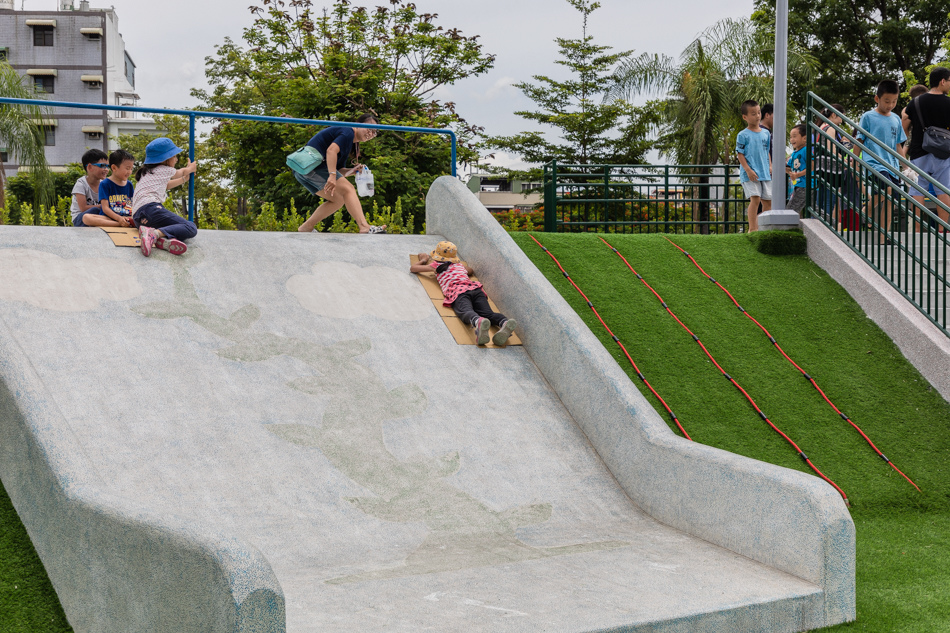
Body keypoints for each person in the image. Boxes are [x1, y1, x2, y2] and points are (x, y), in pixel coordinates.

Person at [410, 241, 518, 347]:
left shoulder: (435, 266)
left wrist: (424, 259)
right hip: (475, 289)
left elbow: (413, 268)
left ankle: (477, 321)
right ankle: (504, 322)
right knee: (488, 313)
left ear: (437, 256)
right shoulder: (459, 265)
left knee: (466, 311)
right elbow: (470, 270)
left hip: (458, 291)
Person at [296, 113, 386, 235]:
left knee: (338, 200)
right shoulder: (348, 131)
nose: (370, 133)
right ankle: (364, 226)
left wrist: (352, 171)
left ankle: (306, 227)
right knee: (348, 189)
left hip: (302, 170)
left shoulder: (350, 142)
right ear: (358, 124)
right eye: (369, 128)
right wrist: (332, 176)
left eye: (374, 132)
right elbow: (331, 151)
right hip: (311, 165)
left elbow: (338, 169)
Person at [857, 80, 907, 242]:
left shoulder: (896, 119)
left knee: (891, 201)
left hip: (892, 165)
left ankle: (883, 236)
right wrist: (854, 162)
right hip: (874, 163)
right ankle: (867, 211)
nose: (890, 105)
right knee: (887, 189)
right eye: (887, 101)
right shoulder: (868, 117)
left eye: (894, 101)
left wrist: (906, 167)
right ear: (877, 98)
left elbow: (898, 145)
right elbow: (860, 140)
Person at [131, 137, 198, 257]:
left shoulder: (147, 172)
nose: (176, 159)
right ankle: (154, 234)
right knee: (190, 227)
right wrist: (190, 168)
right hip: (150, 209)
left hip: (138, 218)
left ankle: (161, 239)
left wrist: (184, 179)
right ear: (165, 159)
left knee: (174, 229)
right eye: (174, 156)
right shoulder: (165, 169)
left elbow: (166, 185)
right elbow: (181, 172)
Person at [904, 67, 950, 226]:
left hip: (918, 151)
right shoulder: (948, 103)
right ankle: (943, 231)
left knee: (918, 190)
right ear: (942, 81)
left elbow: (905, 123)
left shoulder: (915, 102)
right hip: (943, 152)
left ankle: (917, 230)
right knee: (942, 190)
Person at [736, 99, 772, 232]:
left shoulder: (766, 133)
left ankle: (761, 228)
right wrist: (748, 170)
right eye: (753, 113)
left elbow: (766, 151)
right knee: (755, 200)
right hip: (750, 174)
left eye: (758, 113)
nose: (757, 116)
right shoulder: (742, 135)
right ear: (745, 117)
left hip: (765, 173)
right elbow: (740, 154)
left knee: (768, 203)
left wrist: (770, 165)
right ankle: (752, 229)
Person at [70, 148, 113, 227]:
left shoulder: (104, 184)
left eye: (108, 166)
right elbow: (83, 208)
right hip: (81, 219)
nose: (106, 169)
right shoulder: (81, 184)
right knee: (96, 210)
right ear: (90, 167)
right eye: (103, 166)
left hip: (97, 217)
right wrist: (104, 206)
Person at [97, 149, 136, 227]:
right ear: (114, 168)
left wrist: (131, 217)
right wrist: (119, 219)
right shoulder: (105, 184)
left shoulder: (129, 184)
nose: (130, 172)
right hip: (110, 218)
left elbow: (133, 204)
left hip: (126, 217)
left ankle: (125, 223)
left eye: (131, 169)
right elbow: (105, 208)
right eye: (127, 168)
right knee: (86, 217)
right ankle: (119, 224)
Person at [786, 124, 808, 214]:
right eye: (790, 137)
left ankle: (788, 226)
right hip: (799, 184)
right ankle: (834, 224)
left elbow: (812, 167)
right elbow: (788, 167)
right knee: (814, 209)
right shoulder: (794, 153)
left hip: (805, 185)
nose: (792, 140)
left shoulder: (806, 150)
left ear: (805, 138)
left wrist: (797, 175)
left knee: (790, 210)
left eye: (794, 137)